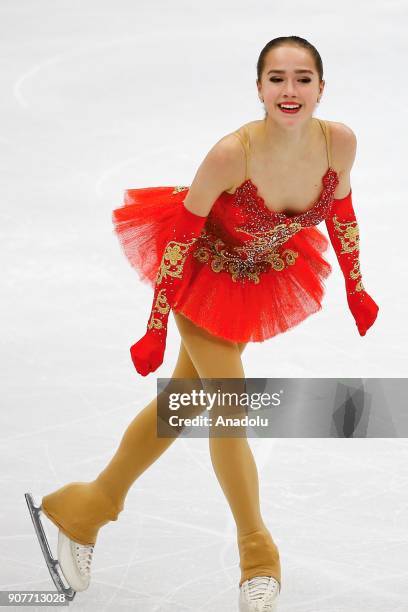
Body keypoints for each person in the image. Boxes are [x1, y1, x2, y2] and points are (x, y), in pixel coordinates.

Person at [25, 35, 379, 612]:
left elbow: (341, 210)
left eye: (303, 78)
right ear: (259, 87)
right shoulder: (229, 154)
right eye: (276, 79)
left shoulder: (339, 143)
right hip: (200, 271)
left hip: (258, 273)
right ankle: (257, 555)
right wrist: (157, 325)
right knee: (229, 404)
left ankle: (84, 508)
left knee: (182, 404)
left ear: (321, 87)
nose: (290, 90)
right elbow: (179, 246)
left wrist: (358, 286)